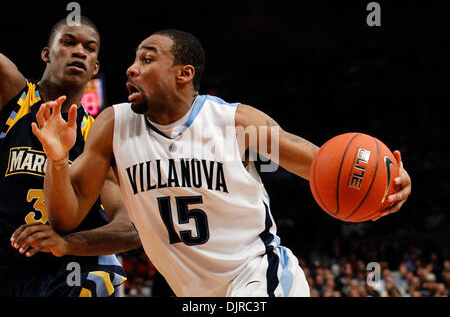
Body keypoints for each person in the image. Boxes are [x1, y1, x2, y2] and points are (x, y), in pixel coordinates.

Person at [32, 29, 412, 297]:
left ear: (184, 74)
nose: (131, 68)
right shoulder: (114, 126)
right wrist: (58, 159)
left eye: (147, 59)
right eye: (133, 60)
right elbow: (66, 218)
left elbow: (323, 165)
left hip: (259, 276)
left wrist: (388, 183)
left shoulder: (235, 123)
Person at [0, 17, 141, 297]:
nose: (79, 51)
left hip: (65, 269)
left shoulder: (98, 137)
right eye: (68, 42)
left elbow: (130, 229)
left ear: (95, 67)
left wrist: (68, 244)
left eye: (89, 48)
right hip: (7, 265)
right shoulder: (14, 96)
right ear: (46, 53)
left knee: (96, 275)